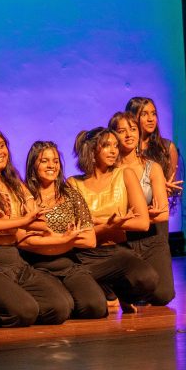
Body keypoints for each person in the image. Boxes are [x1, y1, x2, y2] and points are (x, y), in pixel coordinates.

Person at [0, 127, 74, 327]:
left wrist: (59, 234)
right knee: (25, 312)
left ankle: (8, 304)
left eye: (2, 146)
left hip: (14, 259)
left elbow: (37, 219)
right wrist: (21, 222)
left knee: (60, 307)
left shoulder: (14, 182)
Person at [69, 128, 159, 312]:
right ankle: (106, 294)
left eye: (115, 146)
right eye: (107, 146)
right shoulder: (73, 183)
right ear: (92, 150)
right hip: (85, 255)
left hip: (116, 251)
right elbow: (77, 230)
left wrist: (99, 221)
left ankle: (118, 294)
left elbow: (142, 223)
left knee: (148, 279)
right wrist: (109, 224)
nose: (114, 151)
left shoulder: (124, 174)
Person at [20, 141, 108, 319]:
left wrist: (56, 238)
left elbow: (90, 240)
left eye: (56, 161)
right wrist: (69, 238)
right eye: (44, 161)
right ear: (33, 164)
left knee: (96, 307)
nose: (51, 165)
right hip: (36, 266)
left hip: (67, 264)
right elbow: (23, 241)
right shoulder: (23, 196)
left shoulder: (71, 194)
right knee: (60, 308)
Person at [109, 112, 175, 305]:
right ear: (113, 136)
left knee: (163, 295)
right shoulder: (109, 170)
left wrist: (132, 220)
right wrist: (145, 214)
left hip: (151, 239)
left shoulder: (152, 167)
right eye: (122, 131)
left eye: (133, 129)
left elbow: (163, 212)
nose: (129, 135)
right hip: (122, 240)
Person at [125, 97, 182, 196]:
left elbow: (175, 187)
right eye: (144, 114)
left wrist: (168, 190)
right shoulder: (126, 148)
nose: (151, 119)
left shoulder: (166, 148)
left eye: (153, 114)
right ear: (132, 117)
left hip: (160, 207)